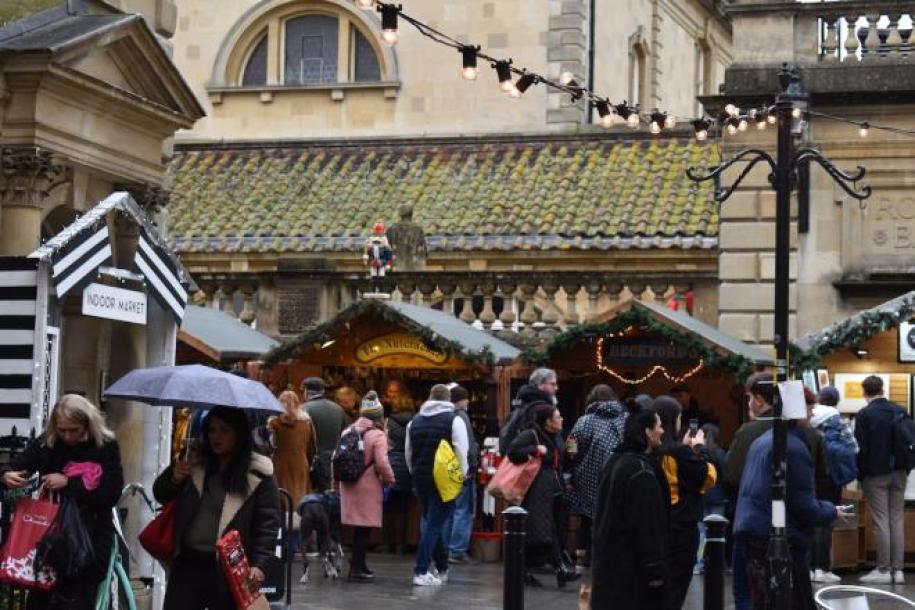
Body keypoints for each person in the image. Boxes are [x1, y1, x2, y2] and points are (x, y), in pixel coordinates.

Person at [1, 395, 123, 610]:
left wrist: (68, 482)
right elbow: (20, 464)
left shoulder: (105, 446)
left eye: (73, 430)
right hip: (50, 541)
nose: (67, 435)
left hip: (87, 543)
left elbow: (110, 494)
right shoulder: (48, 442)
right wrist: (6, 474)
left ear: (87, 425)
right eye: (62, 429)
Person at [153, 406, 280, 610]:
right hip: (188, 564)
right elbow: (160, 493)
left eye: (223, 430)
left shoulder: (259, 472)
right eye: (211, 430)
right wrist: (175, 478)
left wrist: (259, 565)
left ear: (237, 433)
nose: (216, 437)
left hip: (229, 570)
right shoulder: (192, 459)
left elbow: (268, 524)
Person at [723, 372, 829, 610]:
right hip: (786, 531)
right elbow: (817, 481)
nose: (812, 414)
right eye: (809, 408)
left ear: (760, 399)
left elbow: (732, 477)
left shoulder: (752, 435)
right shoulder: (803, 438)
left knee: (750, 594)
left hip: (754, 526)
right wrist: (825, 510)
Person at [734, 402, 847, 610]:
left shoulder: (764, 440)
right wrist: (831, 510)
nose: (813, 412)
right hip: (780, 541)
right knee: (793, 600)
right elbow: (802, 503)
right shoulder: (792, 447)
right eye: (808, 407)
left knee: (762, 599)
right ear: (796, 412)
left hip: (755, 531)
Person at [592, 409, 669, 610]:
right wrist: (655, 570)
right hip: (631, 571)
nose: (662, 430)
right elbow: (647, 525)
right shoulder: (642, 472)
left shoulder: (614, 461)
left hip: (608, 565)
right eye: (659, 425)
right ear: (647, 432)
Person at [649, 396, 716, 610]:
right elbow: (708, 477)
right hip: (681, 529)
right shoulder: (679, 452)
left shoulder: (651, 451)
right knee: (675, 590)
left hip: (655, 527)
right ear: (673, 420)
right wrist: (700, 449)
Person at [507, 403, 580, 588]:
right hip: (536, 490)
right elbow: (513, 452)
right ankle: (556, 569)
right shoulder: (531, 434)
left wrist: (571, 453)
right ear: (548, 422)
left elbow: (561, 460)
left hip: (554, 490)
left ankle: (556, 569)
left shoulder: (557, 436)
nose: (561, 419)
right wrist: (534, 449)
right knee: (542, 530)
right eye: (558, 416)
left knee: (551, 530)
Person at [405, 384, 469, 586]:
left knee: (432, 521)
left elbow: (409, 452)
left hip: (420, 477)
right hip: (444, 479)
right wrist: (461, 475)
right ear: (448, 399)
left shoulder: (414, 421)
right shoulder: (454, 420)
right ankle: (421, 570)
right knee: (433, 524)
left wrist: (414, 472)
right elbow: (461, 451)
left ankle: (442, 568)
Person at [855, 375, 909, 585]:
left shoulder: (865, 414)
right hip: (900, 472)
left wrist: (860, 475)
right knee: (897, 518)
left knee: (881, 520)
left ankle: (884, 570)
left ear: (864, 391)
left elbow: (861, 449)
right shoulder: (900, 410)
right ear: (883, 389)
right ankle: (899, 571)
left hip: (876, 474)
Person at [567, 384, 627, 569]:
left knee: (589, 517)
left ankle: (585, 556)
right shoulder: (625, 419)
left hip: (587, 478)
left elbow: (571, 447)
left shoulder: (585, 421)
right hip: (617, 475)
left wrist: (573, 463)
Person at [336, 391, 395, 581]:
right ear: (378, 416)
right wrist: (391, 480)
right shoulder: (377, 435)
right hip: (368, 486)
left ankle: (357, 565)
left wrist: (335, 484)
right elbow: (382, 462)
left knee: (355, 528)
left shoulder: (348, 431)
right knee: (364, 528)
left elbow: (335, 460)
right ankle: (358, 567)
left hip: (348, 484)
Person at [809, 385, 853, 584]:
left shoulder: (809, 417)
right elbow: (854, 447)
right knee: (826, 520)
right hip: (831, 478)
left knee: (809, 519)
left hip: (810, 475)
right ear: (836, 400)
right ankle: (823, 569)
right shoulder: (839, 420)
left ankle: (809, 567)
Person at [443, 384, 479, 564]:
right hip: (462, 471)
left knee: (451, 511)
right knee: (462, 511)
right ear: (460, 400)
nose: (468, 402)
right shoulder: (461, 417)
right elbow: (467, 446)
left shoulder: (446, 416)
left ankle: (446, 548)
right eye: (465, 398)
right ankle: (456, 550)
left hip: (448, 469)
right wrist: (470, 468)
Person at [268, 390, 316, 505]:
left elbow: (270, 445)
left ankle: (285, 519)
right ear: (297, 403)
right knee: (298, 493)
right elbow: (312, 447)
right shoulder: (307, 422)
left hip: (280, 463)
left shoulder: (274, 423)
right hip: (301, 462)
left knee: (282, 495)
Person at [302, 377, 348, 490]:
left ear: (306, 392)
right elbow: (346, 435)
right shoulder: (338, 409)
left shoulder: (303, 410)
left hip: (313, 464)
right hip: (335, 461)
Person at [499, 368, 559, 455]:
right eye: (553, 384)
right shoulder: (541, 410)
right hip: (539, 464)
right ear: (540, 385)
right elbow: (552, 441)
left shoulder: (522, 406)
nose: (556, 388)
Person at [695, 423, 728, 575]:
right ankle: (716, 562)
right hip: (718, 496)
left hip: (702, 496)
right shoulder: (719, 453)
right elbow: (726, 474)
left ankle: (700, 563)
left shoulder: (697, 454)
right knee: (718, 533)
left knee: (702, 532)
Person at [384, 395, 414, 554]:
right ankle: (403, 544)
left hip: (391, 463)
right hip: (408, 465)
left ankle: (389, 544)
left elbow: (385, 442)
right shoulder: (415, 421)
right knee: (404, 508)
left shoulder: (389, 421)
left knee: (389, 507)